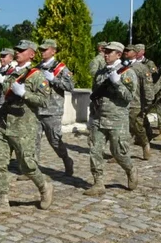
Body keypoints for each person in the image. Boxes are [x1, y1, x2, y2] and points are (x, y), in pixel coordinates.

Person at [0, 40, 53, 218]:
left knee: (27, 166)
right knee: (0, 164)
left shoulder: (37, 76)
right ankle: (3, 203)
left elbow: (45, 101)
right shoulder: (11, 72)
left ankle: (44, 187)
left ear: (31, 54)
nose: (18, 53)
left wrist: (24, 93)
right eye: (17, 50)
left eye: (22, 50)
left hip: (24, 128)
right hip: (4, 125)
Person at [84, 42, 138, 195]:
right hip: (98, 118)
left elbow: (129, 97)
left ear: (119, 54)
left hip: (117, 119)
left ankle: (130, 169)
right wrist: (91, 116)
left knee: (118, 152)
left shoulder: (127, 73)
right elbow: (95, 96)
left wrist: (117, 83)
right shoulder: (100, 73)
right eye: (105, 51)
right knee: (95, 151)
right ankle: (98, 183)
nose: (106, 54)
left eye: (110, 52)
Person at [35, 39, 74, 175]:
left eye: (45, 49)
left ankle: (66, 160)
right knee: (33, 141)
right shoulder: (37, 67)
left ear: (53, 51)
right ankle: (32, 169)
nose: (42, 52)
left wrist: (54, 79)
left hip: (53, 110)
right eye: (41, 49)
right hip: (37, 109)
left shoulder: (61, 69)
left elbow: (70, 87)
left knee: (55, 140)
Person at [123, 45, 154, 159]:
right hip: (122, 103)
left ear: (135, 53)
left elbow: (147, 86)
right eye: (125, 50)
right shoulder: (121, 66)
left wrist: (148, 103)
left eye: (128, 50)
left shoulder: (141, 68)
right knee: (121, 130)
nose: (125, 52)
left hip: (135, 103)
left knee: (137, 128)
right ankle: (120, 154)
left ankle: (145, 145)